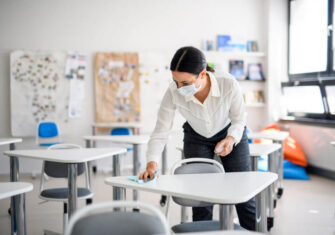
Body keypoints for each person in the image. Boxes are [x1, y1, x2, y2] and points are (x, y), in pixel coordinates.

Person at [139, 46, 255, 230]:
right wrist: (152, 163)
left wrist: (231, 139)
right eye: (175, 81)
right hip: (196, 136)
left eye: (185, 83)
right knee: (201, 196)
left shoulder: (228, 83)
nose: (179, 88)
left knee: (243, 194)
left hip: (230, 133)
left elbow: (239, 119)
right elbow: (161, 131)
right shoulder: (173, 92)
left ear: (202, 74)